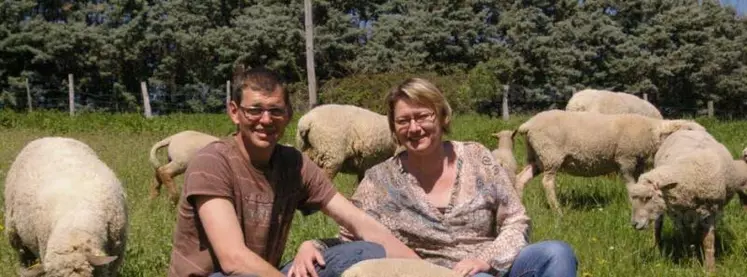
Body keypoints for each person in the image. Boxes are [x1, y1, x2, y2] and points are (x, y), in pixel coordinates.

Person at [292, 78, 578, 277]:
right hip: (432, 273)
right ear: (393, 128)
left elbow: (516, 220)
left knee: (557, 253)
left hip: (494, 261)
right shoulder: (379, 180)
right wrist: (313, 245)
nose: (414, 128)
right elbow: (355, 242)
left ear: (441, 117)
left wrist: (486, 259)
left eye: (423, 116)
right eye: (403, 121)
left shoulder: (478, 158)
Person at [167, 66, 419, 277]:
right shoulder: (213, 162)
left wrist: (425, 269)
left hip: (266, 272)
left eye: (276, 110)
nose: (266, 120)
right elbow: (233, 259)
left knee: (364, 252)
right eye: (255, 110)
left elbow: (358, 221)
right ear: (235, 112)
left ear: (287, 115)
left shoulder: (293, 163)